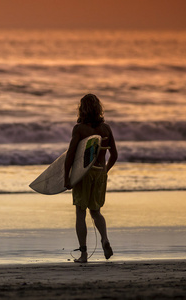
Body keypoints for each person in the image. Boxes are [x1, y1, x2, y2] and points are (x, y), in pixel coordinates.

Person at [64, 94, 118, 263]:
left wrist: (66, 177)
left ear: (82, 109)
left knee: (80, 213)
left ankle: (84, 254)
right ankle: (104, 239)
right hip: (100, 173)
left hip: (84, 174)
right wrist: (105, 171)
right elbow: (114, 155)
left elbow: (71, 155)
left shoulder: (79, 129)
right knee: (96, 212)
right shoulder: (106, 129)